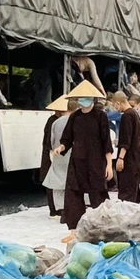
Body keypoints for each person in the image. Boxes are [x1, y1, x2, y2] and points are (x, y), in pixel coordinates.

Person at [53, 81, 113, 242]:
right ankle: (73, 231)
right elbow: (67, 139)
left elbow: (107, 142)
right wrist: (61, 147)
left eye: (86, 98)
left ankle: (104, 227)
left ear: (93, 99)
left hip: (95, 161)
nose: (83, 101)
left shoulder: (101, 116)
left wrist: (109, 165)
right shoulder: (75, 116)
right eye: (81, 98)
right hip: (77, 161)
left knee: (98, 194)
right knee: (72, 195)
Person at [42, 98, 79, 220]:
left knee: (57, 182)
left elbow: (51, 141)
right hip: (72, 155)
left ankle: (59, 209)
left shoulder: (55, 122)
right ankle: (70, 209)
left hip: (58, 155)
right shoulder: (76, 121)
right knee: (71, 182)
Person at [112, 92, 140, 203]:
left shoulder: (127, 116)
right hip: (136, 159)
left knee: (127, 192)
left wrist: (120, 158)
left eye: (115, 105)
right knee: (134, 192)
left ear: (118, 103)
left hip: (130, 160)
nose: (115, 108)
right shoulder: (134, 114)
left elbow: (126, 140)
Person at [41, 101, 64, 217]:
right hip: (52, 153)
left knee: (52, 181)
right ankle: (55, 208)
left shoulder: (52, 120)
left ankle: (55, 208)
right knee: (53, 181)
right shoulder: (54, 121)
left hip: (52, 152)